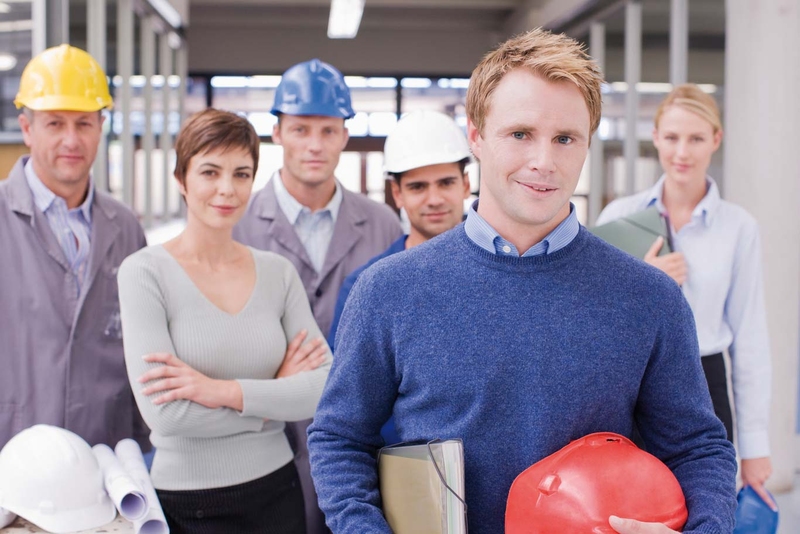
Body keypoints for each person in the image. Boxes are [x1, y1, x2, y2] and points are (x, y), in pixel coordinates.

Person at [307, 28, 737, 534]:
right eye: (520, 134)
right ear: (476, 137)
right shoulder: (387, 291)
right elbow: (340, 439)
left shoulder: (648, 297)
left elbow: (697, 447)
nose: (544, 161)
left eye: (565, 139)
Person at [118, 109, 331, 533]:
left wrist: (220, 391)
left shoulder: (277, 272)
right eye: (210, 172)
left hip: (278, 492)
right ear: (181, 179)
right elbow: (166, 416)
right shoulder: (144, 272)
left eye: (241, 174)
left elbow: (322, 388)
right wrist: (271, 405)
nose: (226, 190)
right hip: (188, 505)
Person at [233, 58, 401, 533]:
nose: (314, 145)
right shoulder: (238, 224)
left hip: (359, 446)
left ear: (345, 135)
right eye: (301, 129)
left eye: (328, 131)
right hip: (263, 443)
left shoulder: (383, 224)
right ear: (277, 132)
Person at [596, 83, 774, 509]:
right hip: (629, 382)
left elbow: (750, 340)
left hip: (707, 382)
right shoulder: (619, 217)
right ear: (655, 137)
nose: (682, 152)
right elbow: (587, 314)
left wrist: (755, 444)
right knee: (629, 511)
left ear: (715, 139)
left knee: (702, 508)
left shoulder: (738, 227)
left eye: (696, 138)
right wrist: (647, 282)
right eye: (672, 137)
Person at [0, 44, 148, 451]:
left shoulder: (126, 228)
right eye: (54, 123)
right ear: (27, 129)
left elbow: (140, 347)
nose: (71, 140)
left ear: (101, 127)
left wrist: (139, 449)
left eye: (84, 123)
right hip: (13, 457)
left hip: (105, 455)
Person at [328, 109, 472, 350]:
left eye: (446, 183)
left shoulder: (501, 271)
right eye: (418, 187)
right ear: (397, 193)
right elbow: (346, 384)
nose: (434, 199)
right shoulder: (365, 286)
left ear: (466, 184)